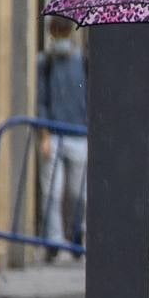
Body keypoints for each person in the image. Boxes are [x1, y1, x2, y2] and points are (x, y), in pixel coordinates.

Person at [36, 18, 87, 261]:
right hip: (54, 133)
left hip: (79, 134)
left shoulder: (83, 62)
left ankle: (76, 233)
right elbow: (42, 100)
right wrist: (44, 135)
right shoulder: (45, 63)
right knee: (52, 193)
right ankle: (54, 240)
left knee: (78, 193)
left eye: (64, 32)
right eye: (57, 32)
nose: (61, 37)